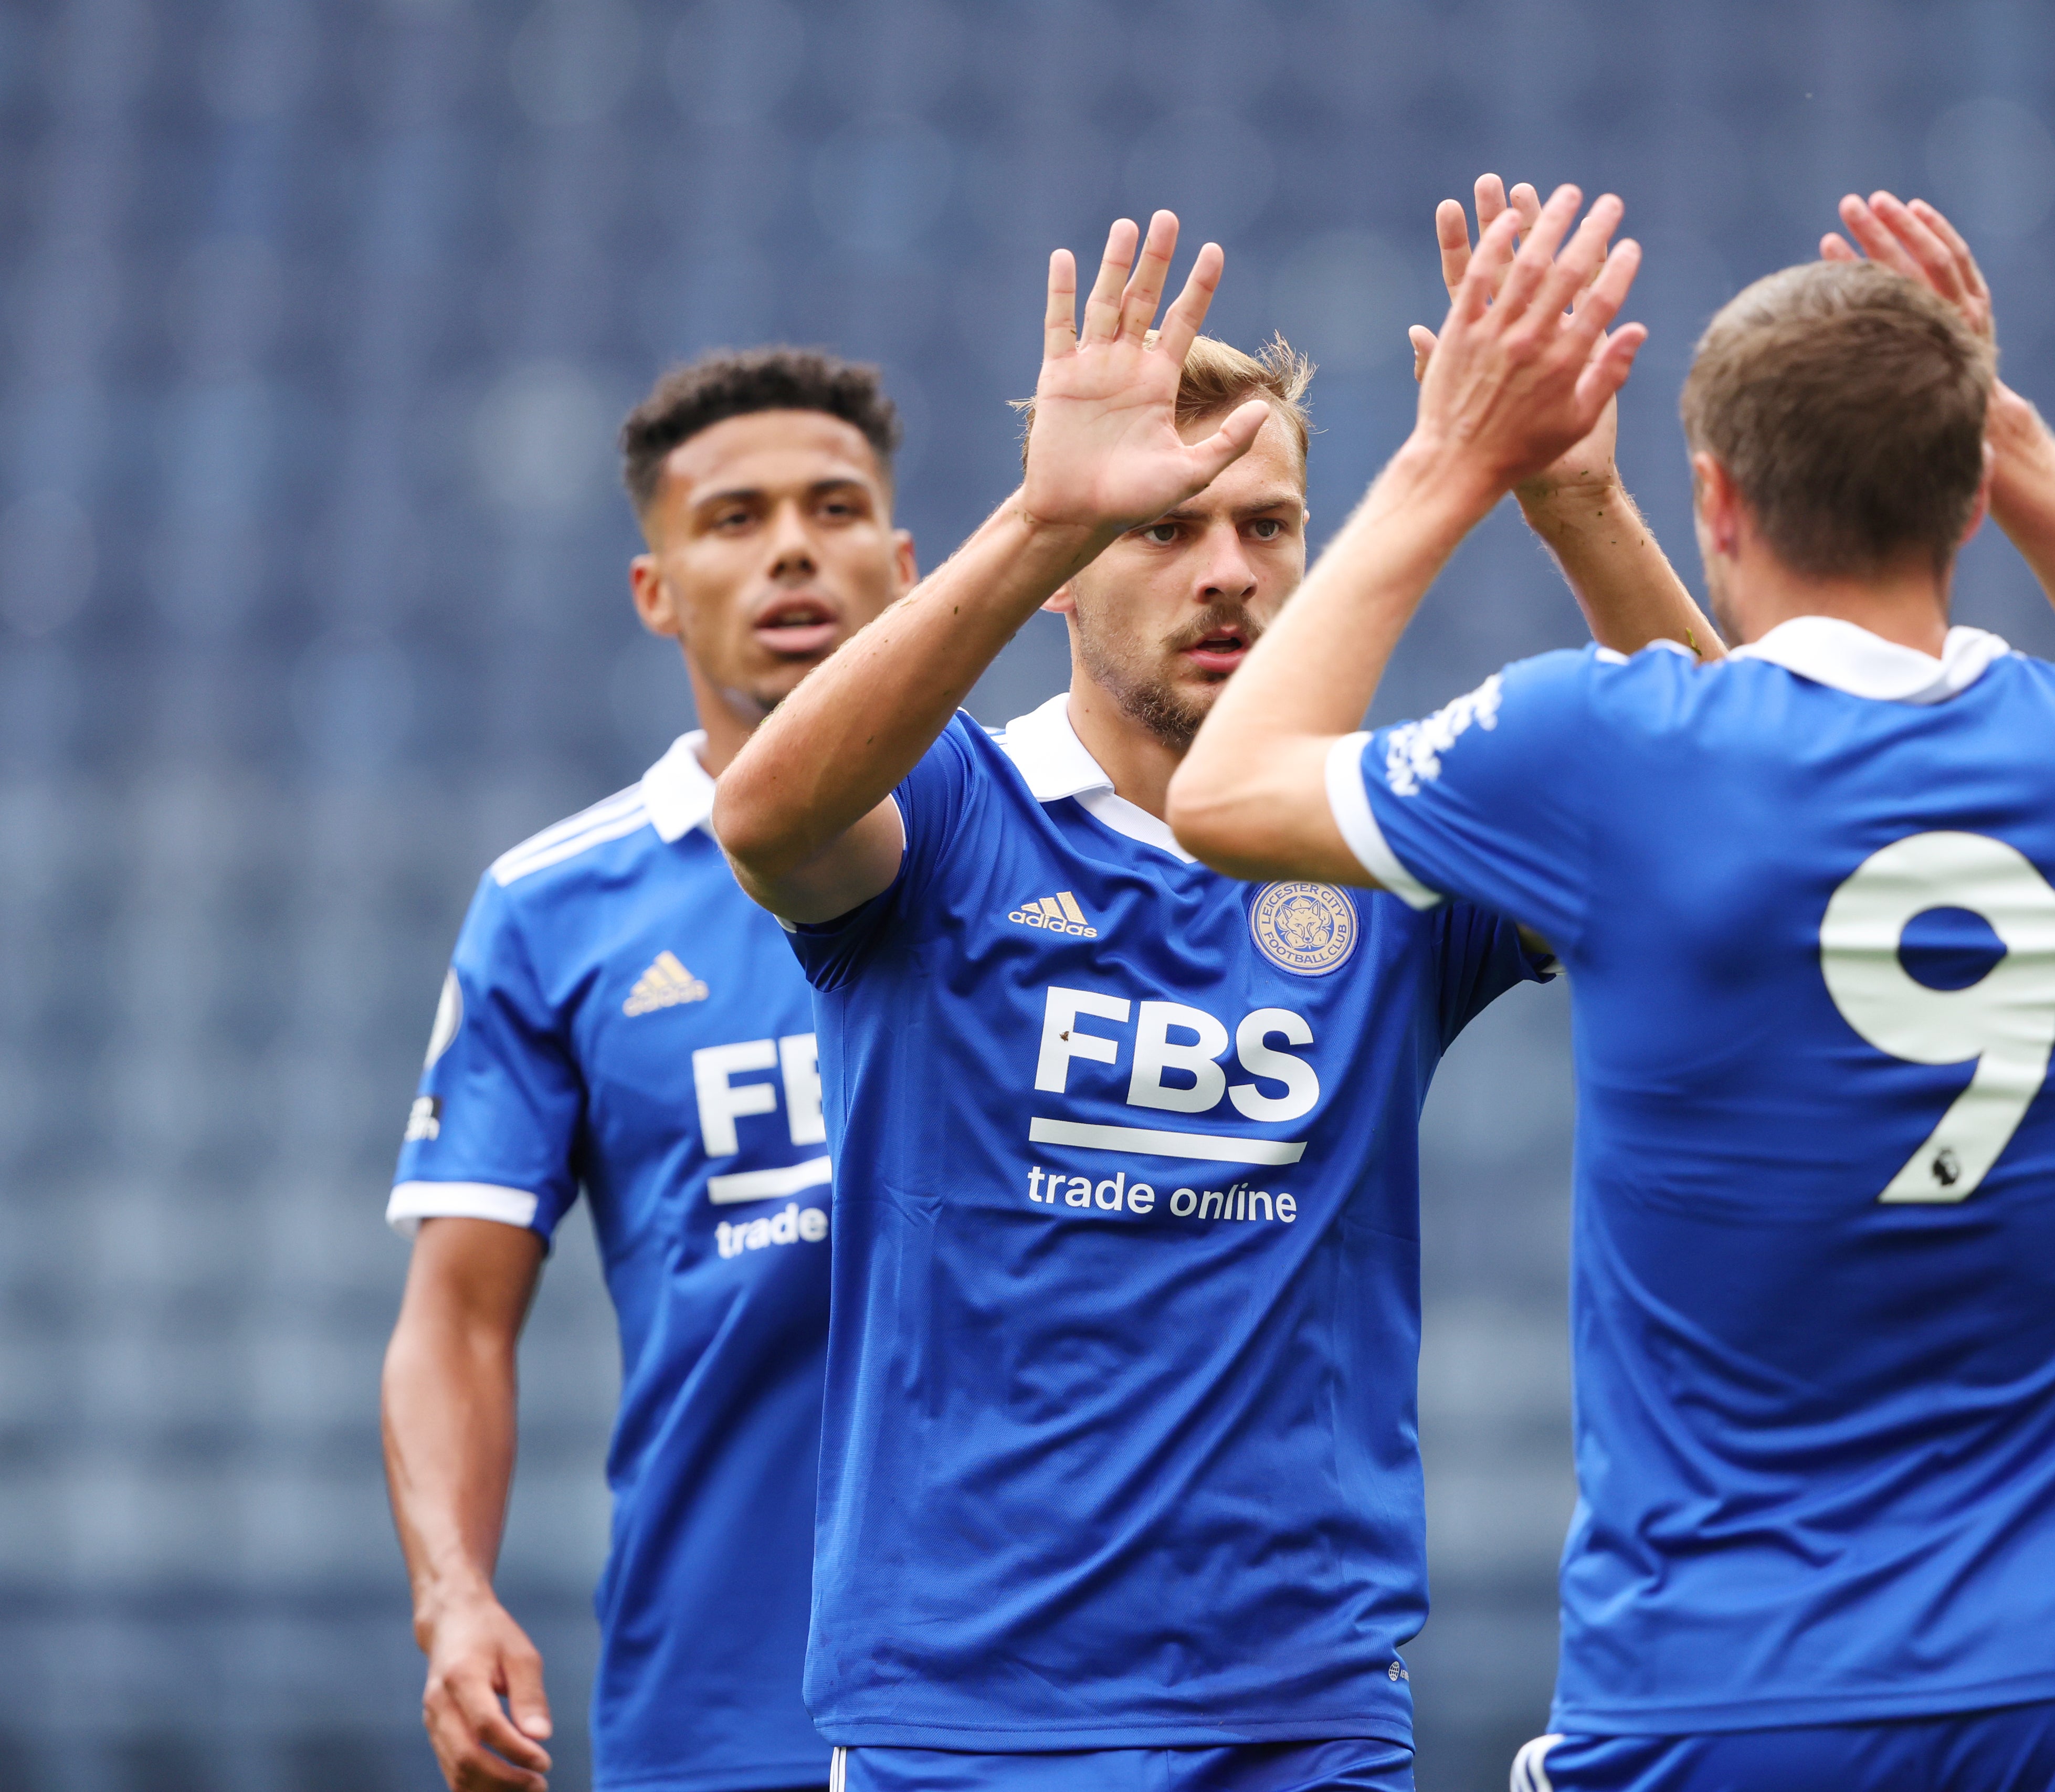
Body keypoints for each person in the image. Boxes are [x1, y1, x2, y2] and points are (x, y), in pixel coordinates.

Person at [1169, 187, 2055, 1792]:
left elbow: (1226, 799)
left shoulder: (1610, 749)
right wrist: (2020, 443)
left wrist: (1455, 459)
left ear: (1711, 500)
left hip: (1713, 1697)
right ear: (1971, 494)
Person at [708, 196, 1690, 1792]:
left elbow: (1740, 838)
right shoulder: (955, 810)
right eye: (1163, 530)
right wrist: (1041, 515)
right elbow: (764, 821)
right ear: (1068, 571)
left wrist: (1577, 503)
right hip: (964, 1714)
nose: (1227, 572)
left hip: (1297, 1709)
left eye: (1268, 527)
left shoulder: (1383, 830)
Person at [381, 349, 919, 1792]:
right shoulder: (557, 907)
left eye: (835, 506)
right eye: (734, 519)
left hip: (1052, 1703)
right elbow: (457, 1317)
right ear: (655, 589)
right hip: (720, 1710)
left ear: (908, 561)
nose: (794, 545)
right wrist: (455, 1594)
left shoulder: (1051, 848)